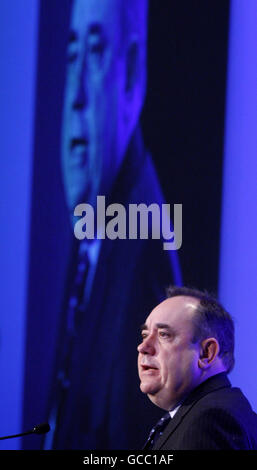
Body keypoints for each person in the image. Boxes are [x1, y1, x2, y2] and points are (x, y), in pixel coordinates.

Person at [44, 0, 182, 450]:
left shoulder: (143, 260)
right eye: (71, 57)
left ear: (130, 74)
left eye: (97, 54)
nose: (76, 93)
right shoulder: (97, 220)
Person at [138, 286, 257, 450]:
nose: (143, 347)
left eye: (164, 334)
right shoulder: (206, 412)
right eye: (145, 335)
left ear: (206, 353)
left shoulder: (211, 421)